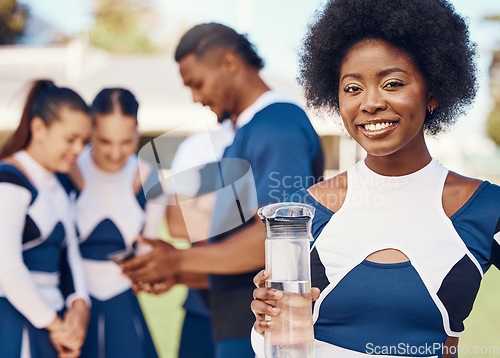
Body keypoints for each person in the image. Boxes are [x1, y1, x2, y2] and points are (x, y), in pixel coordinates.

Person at [250, 0, 500, 357]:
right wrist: (267, 318)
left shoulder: (486, 208)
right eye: (352, 88)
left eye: (393, 83)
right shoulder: (305, 211)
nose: (370, 103)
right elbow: (279, 340)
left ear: (433, 94)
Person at [122, 22, 324, 357]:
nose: (196, 98)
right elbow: (235, 253)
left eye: (197, 83)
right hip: (234, 321)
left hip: (261, 327)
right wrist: (178, 272)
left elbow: (277, 242)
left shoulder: (276, 126)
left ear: (229, 63)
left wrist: (177, 260)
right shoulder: (245, 133)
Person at [61, 88, 161, 358]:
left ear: (138, 130)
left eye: (126, 141)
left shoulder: (149, 176)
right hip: (71, 305)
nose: (116, 153)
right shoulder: (67, 168)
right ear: (90, 129)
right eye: (105, 141)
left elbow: (148, 250)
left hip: (123, 302)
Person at [0, 79, 91, 358]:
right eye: (70, 139)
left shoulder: (62, 185)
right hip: (15, 324)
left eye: (84, 141)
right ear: (39, 128)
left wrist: (79, 309)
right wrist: (54, 325)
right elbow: (7, 266)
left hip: (56, 327)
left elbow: (71, 256)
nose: (79, 150)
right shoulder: (9, 180)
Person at [167, 117, 235, 358]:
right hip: (200, 304)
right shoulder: (197, 146)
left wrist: (201, 207)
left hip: (250, 308)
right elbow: (177, 222)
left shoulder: (266, 140)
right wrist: (239, 231)